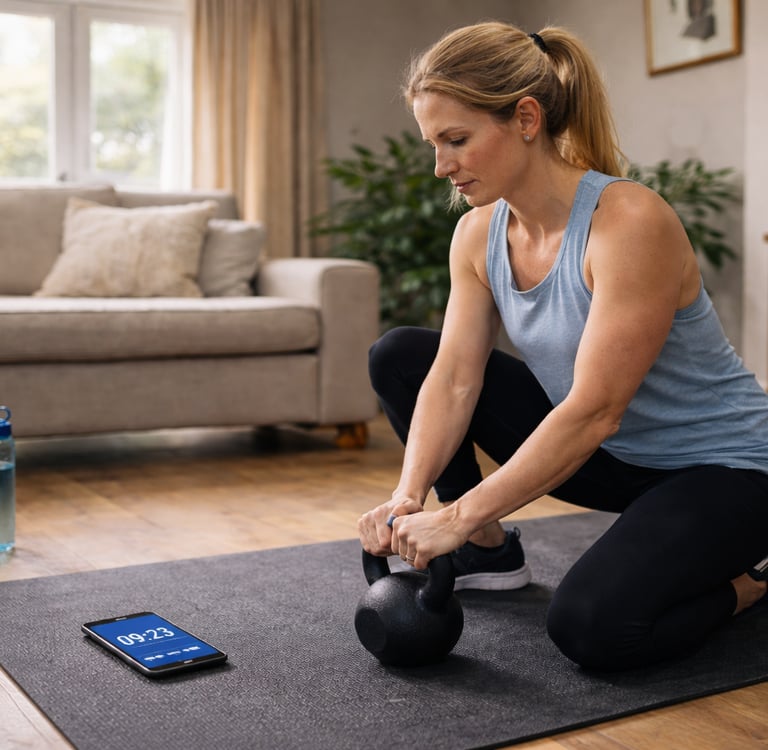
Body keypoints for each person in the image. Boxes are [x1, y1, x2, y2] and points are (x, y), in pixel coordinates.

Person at [357, 21, 768, 671]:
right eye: (433, 145)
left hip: (727, 469)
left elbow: (596, 407)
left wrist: (456, 513)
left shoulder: (628, 222)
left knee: (593, 630)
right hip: (609, 459)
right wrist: (410, 496)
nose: (441, 166)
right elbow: (454, 378)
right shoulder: (478, 234)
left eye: (456, 140)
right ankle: (487, 550)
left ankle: (750, 584)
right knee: (401, 354)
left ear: (525, 118)